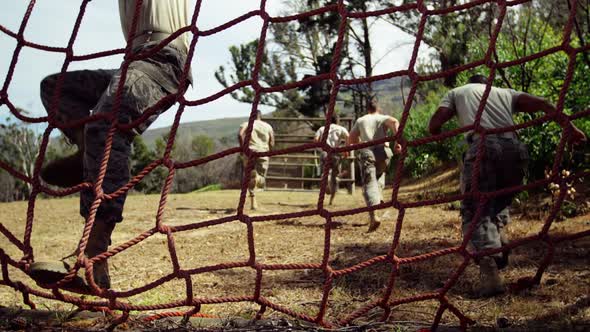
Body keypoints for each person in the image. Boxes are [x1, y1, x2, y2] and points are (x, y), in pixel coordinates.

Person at [29, 0, 192, 293]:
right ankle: (87, 157)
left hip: (165, 61)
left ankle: (94, 253)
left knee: (106, 126)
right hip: (133, 62)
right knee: (55, 88)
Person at [428, 74, 587, 297]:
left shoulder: (457, 92)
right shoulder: (505, 92)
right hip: (515, 149)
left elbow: (434, 124)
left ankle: (490, 275)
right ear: (487, 83)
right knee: (500, 202)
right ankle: (499, 246)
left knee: (476, 210)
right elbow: (544, 103)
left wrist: (441, 130)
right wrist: (569, 128)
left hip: (483, 147)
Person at [348, 97, 402, 233]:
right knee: (379, 174)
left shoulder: (361, 120)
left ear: (367, 108)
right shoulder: (382, 117)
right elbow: (395, 122)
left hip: (368, 152)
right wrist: (397, 141)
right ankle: (379, 198)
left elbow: (351, 139)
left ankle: (374, 216)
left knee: (368, 184)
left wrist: (355, 145)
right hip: (384, 153)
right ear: (378, 108)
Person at [238, 111, 274, 210]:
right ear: (260, 116)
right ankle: (257, 178)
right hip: (263, 152)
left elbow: (240, 134)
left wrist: (242, 148)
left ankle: (253, 202)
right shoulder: (267, 126)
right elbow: (272, 141)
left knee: (250, 177)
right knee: (261, 180)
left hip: (249, 152)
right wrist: (270, 151)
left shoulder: (246, 124)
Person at [314, 114, 349, 205]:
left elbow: (315, 140)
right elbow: (348, 137)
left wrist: (320, 147)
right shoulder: (341, 128)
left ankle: (325, 180)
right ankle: (331, 200)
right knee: (335, 177)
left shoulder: (322, 129)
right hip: (335, 154)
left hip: (325, 153)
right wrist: (346, 150)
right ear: (338, 121)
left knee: (324, 172)